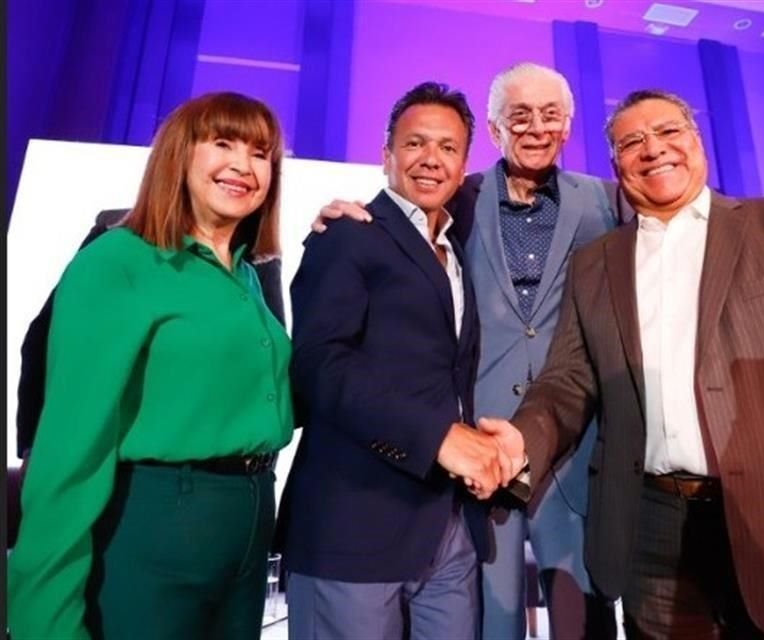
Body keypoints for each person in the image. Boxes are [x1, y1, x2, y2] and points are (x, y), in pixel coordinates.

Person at [316, 62, 764, 640]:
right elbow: (400, 230)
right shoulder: (458, 200)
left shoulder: (607, 198)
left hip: (579, 448)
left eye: (551, 115)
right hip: (484, 443)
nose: (536, 127)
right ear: (495, 130)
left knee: (583, 619)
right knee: (491, 620)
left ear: (568, 127)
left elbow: (690, 215)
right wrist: (347, 214)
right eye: (519, 115)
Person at [486, 88, 764, 640]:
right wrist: (517, 442)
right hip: (650, 534)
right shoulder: (595, 264)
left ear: (697, 142)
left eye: (669, 132)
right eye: (632, 141)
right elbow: (569, 382)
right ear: (616, 163)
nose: (653, 149)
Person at [7, 91, 293, 640]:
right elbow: (70, 449)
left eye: (260, 153)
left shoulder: (247, 277)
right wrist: (44, 618)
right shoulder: (118, 262)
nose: (243, 165)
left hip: (249, 520)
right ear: (178, 155)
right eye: (223, 143)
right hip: (158, 520)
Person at [281, 81, 524, 640]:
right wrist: (439, 437)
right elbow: (320, 365)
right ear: (386, 154)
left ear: (464, 166)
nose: (431, 160)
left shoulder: (456, 250)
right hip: (354, 523)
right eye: (415, 144)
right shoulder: (347, 235)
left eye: (448, 148)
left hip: (448, 527)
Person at [14, 209, 286, 473]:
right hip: (143, 476)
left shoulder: (257, 251)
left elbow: (275, 372)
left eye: (259, 159)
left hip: (245, 484)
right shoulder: (118, 235)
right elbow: (45, 341)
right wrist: (34, 448)